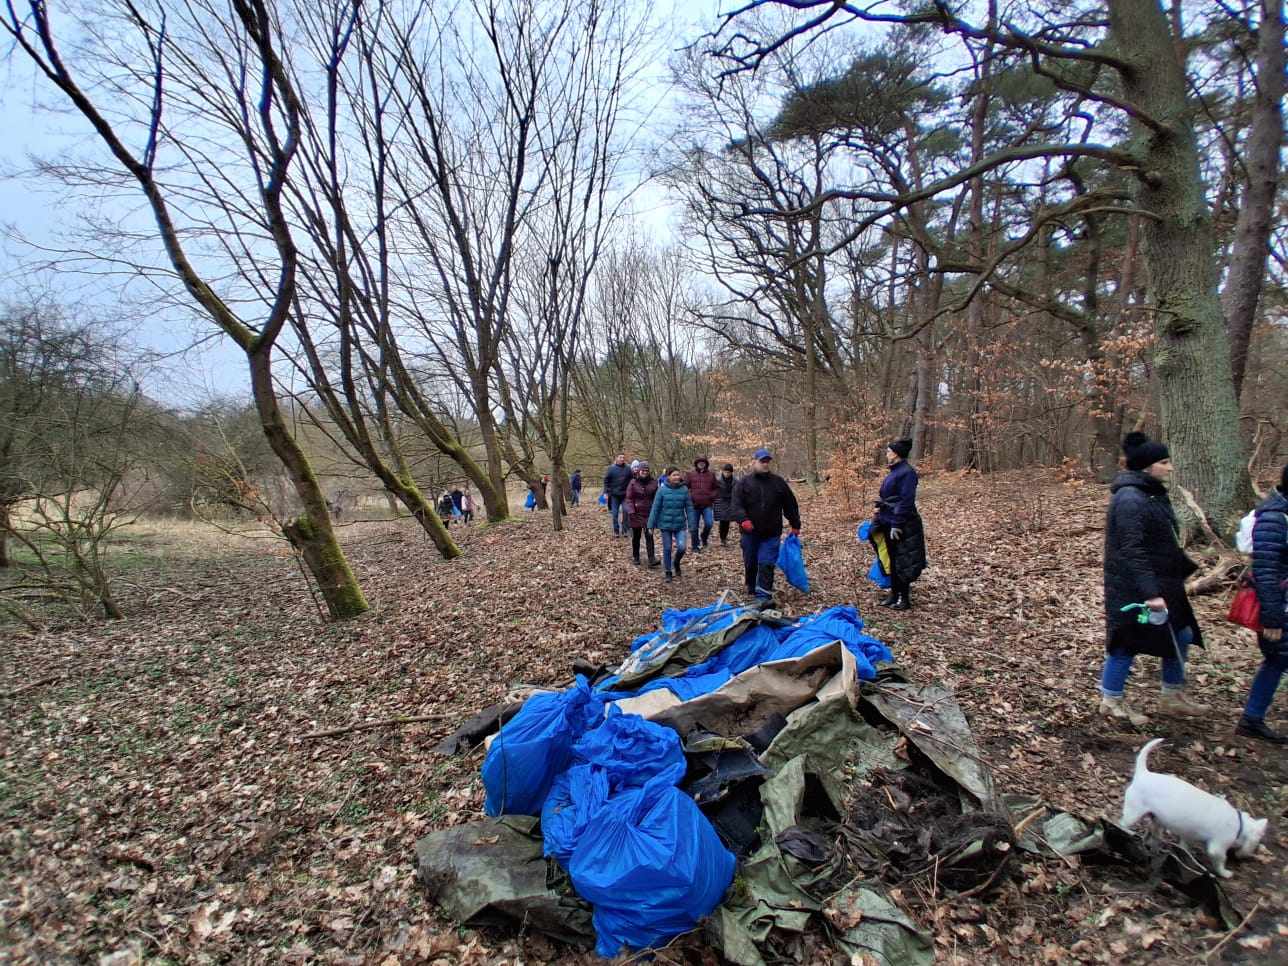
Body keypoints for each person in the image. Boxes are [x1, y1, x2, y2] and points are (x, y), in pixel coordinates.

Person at [1099, 432, 1207, 727]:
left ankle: (1171, 696)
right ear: (1147, 466)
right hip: (1135, 586)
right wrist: (1150, 593)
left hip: (1162, 581)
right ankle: (1111, 700)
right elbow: (1132, 549)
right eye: (1164, 462)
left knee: (1182, 634)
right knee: (1125, 641)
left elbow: (1161, 540)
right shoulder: (1130, 499)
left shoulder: (1150, 493)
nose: (1170, 467)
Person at [1236, 463, 1288, 742]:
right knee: (1278, 658)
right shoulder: (1275, 519)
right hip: (1279, 605)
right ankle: (1252, 718)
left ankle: (1253, 718)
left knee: (1279, 659)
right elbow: (1266, 570)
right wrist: (1272, 616)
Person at [731, 449, 800, 599]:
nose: (765, 464)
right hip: (750, 533)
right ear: (754, 462)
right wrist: (743, 520)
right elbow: (736, 505)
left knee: (766, 563)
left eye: (767, 461)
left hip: (771, 532)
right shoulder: (743, 483)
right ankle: (751, 586)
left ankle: (763, 595)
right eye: (762, 461)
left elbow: (790, 504)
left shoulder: (778, 482)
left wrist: (795, 524)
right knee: (751, 563)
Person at [873, 438, 927, 611]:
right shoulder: (894, 471)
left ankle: (904, 599)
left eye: (888, 451)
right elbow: (889, 497)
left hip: (903, 524)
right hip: (888, 520)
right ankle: (894, 594)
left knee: (902, 560)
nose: (886, 454)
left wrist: (897, 523)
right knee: (892, 559)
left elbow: (906, 501)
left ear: (896, 454)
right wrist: (879, 510)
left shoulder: (907, 473)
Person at [649, 467, 694, 583]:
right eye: (674, 475)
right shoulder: (662, 490)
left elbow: (689, 508)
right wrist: (651, 525)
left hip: (680, 525)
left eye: (678, 475)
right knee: (667, 548)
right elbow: (655, 508)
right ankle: (668, 571)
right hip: (665, 525)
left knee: (682, 547)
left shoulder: (684, 490)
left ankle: (676, 562)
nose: (676, 477)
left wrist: (692, 524)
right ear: (668, 476)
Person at [625, 461, 660, 568]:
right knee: (636, 536)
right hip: (635, 513)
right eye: (642, 470)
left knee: (649, 535)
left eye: (646, 470)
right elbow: (629, 498)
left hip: (649, 513)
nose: (644, 472)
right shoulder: (633, 482)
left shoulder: (654, 483)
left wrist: (656, 511)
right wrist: (631, 511)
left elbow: (657, 498)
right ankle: (636, 556)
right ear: (639, 471)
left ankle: (651, 558)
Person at [686, 457, 719, 551]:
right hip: (694, 505)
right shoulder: (690, 475)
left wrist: (711, 496)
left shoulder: (711, 475)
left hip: (707, 505)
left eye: (703, 462)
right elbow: (685, 486)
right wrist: (689, 497)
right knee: (693, 527)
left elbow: (716, 488)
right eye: (699, 462)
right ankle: (695, 546)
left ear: (706, 464)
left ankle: (704, 537)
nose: (701, 464)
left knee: (709, 523)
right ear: (696, 464)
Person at [603, 453, 632, 537]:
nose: (622, 459)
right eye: (620, 457)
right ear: (616, 458)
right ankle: (616, 531)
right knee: (615, 514)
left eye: (623, 457)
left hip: (625, 495)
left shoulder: (628, 468)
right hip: (614, 495)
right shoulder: (611, 469)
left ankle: (625, 530)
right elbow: (606, 481)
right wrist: (606, 492)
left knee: (626, 511)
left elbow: (632, 480)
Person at [713, 463, 737, 545]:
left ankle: (724, 538)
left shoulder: (735, 481)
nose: (727, 474)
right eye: (725, 472)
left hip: (730, 501)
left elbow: (737, 492)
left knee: (727, 521)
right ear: (722, 472)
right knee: (722, 520)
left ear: (731, 472)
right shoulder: (718, 481)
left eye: (729, 472)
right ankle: (722, 538)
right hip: (721, 501)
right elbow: (714, 491)